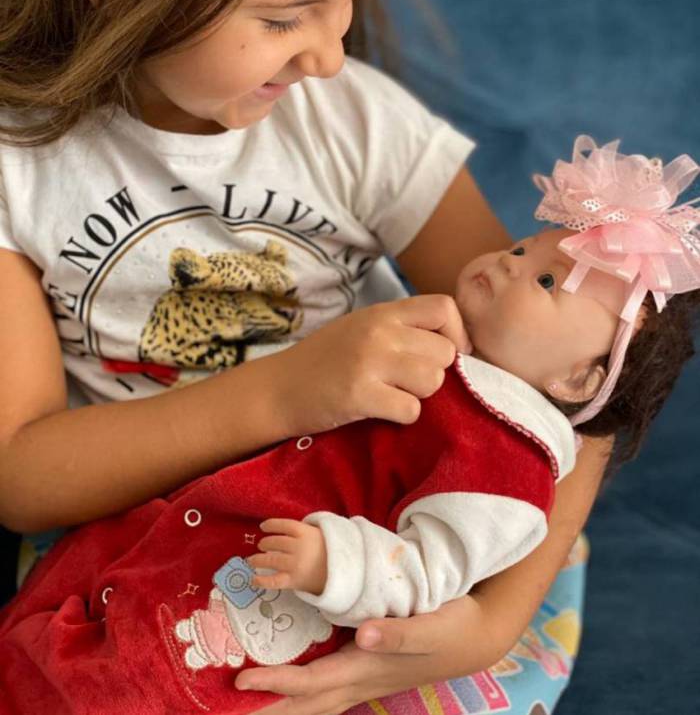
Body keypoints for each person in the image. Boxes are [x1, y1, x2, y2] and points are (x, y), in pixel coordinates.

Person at [0, 0, 613, 713]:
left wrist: (486, 626)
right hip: (145, 545)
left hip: (378, 538)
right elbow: (23, 475)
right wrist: (291, 391)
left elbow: (580, 389)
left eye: (347, 4)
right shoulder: (18, 163)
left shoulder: (359, 128)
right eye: (286, 17)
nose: (329, 56)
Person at [0, 137, 698, 715]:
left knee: (145, 681)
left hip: (291, 580)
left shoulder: (507, 453)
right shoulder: (454, 353)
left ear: (577, 380)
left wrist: (338, 564)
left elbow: (428, 568)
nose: (509, 262)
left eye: (546, 283)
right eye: (522, 248)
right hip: (213, 516)